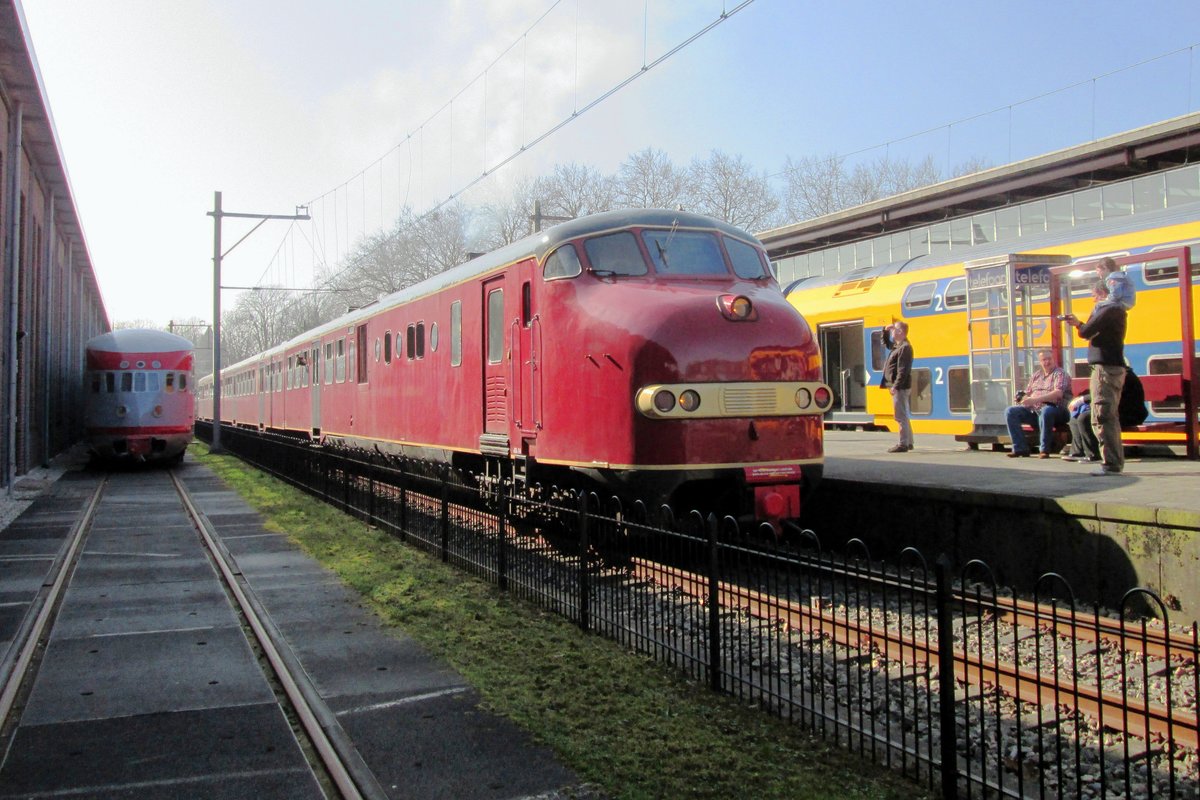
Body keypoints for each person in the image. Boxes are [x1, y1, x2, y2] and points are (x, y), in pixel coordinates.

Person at [1063, 283, 1129, 475]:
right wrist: (1079, 324)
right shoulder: (1115, 311)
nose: (1092, 299)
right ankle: (1113, 462)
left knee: (1102, 415)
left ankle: (1111, 464)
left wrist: (1079, 324)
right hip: (1110, 367)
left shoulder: (1109, 310)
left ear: (1102, 294)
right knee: (1107, 415)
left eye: (1094, 295)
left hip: (1105, 368)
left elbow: (1086, 331)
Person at [1062, 367, 1148, 462]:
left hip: (1129, 414)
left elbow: (1103, 393)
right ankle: (1077, 452)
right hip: (1113, 411)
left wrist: (1081, 400)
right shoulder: (1108, 374)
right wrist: (1081, 398)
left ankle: (1093, 453)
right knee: (1075, 417)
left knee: (1085, 417)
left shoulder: (1122, 376)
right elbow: (1096, 391)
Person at [1004, 349, 1072, 458]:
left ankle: (1044, 449)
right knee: (1010, 411)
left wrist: (1035, 400)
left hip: (1056, 410)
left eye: (1049, 359)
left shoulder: (1060, 374)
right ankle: (1020, 448)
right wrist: (1022, 397)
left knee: (1046, 411)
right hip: (1035, 411)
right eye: (1044, 360)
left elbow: (1058, 393)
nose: (1047, 362)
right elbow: (1028, 392)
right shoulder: (1036, 375)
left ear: (1053, 359)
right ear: (1040, 362)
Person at [880, 320, 914, 453]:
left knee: (900, 416)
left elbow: (902, 370)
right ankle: (909, 442)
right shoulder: (898, 346)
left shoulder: (905, 347)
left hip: (900, 387)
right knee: (903, 414)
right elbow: (887, 344)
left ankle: (903, 443)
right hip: (897, 385)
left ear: (900, 332)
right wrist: (885, 331)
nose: (892, 331)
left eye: (894, 329)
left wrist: (896, 386)